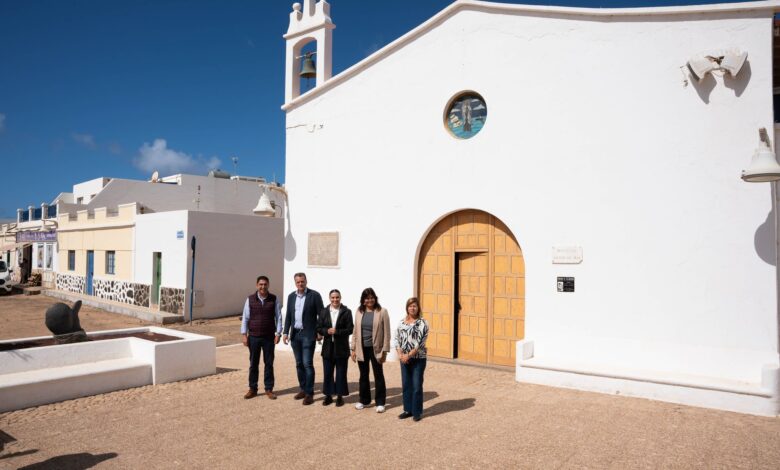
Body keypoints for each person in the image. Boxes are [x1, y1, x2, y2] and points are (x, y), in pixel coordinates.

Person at [283, 272, 324, 405]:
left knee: (307, 364)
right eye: (298, 282)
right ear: (295, 283)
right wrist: (285, 332)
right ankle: (303, 388)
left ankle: (309, 393)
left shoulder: (314, 295)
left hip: (308, 335)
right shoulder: (291, 297)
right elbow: (289, 315)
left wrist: (319, 331)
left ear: (306, 281)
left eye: (302, 281)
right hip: (295, 335)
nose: (300, 284)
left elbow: (322, 315)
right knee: (299, 363)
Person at [241, 275, 282, 400]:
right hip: (253, 337)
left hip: (269, 337)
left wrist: (278, 333)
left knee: (269, 363)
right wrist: (244, 334)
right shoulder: (250, 299)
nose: (263, 286)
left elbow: (278, 317)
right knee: (253, 363)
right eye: (260, 284)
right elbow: (245, 318)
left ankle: (269, 389)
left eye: (265, 284)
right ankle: (252, 389)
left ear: (268, 285)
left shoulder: (274, 299)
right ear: (257, 285)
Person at [351, 287, 391, 413]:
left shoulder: (382, 311)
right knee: (363, 375)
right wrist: (352, 348)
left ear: (375, 298)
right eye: (367, 298)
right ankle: (364, 400)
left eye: (372, 297)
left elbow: (387, 332)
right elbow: (355, 331)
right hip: (361, 348)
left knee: (378, 375)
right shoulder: (359, 311)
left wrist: (385, 350)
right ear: (363, 300)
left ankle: (380, 402)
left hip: (376, 349)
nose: (370, 300)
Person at [316, 289, 353, 407]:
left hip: (341, 347)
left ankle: (340, 396)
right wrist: (326, 331)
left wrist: (337, 331)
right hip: (327, 346)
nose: (335, 299)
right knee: (327, 372)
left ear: (340, 298)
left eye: (337, 297)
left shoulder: (347, 312)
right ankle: (328, 395)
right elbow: (318, 327)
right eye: (333, 297)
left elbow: (350, 329)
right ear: (329, 298)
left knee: (341, 372)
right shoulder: (323, 311)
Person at [394, 297, 429, 422]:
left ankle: (417, 412)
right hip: (404, 359)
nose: (412, 308)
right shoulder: (402, 322)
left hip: (418, 359)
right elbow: (396, 339)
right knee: (406, 385)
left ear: (418, 308)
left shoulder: (423, 323)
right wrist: (400, 354)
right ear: (407, 308)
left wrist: (408, 355)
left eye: (414, 306)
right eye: (410, 306)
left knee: (416, 386)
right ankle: (407, 410)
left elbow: (420, 343)